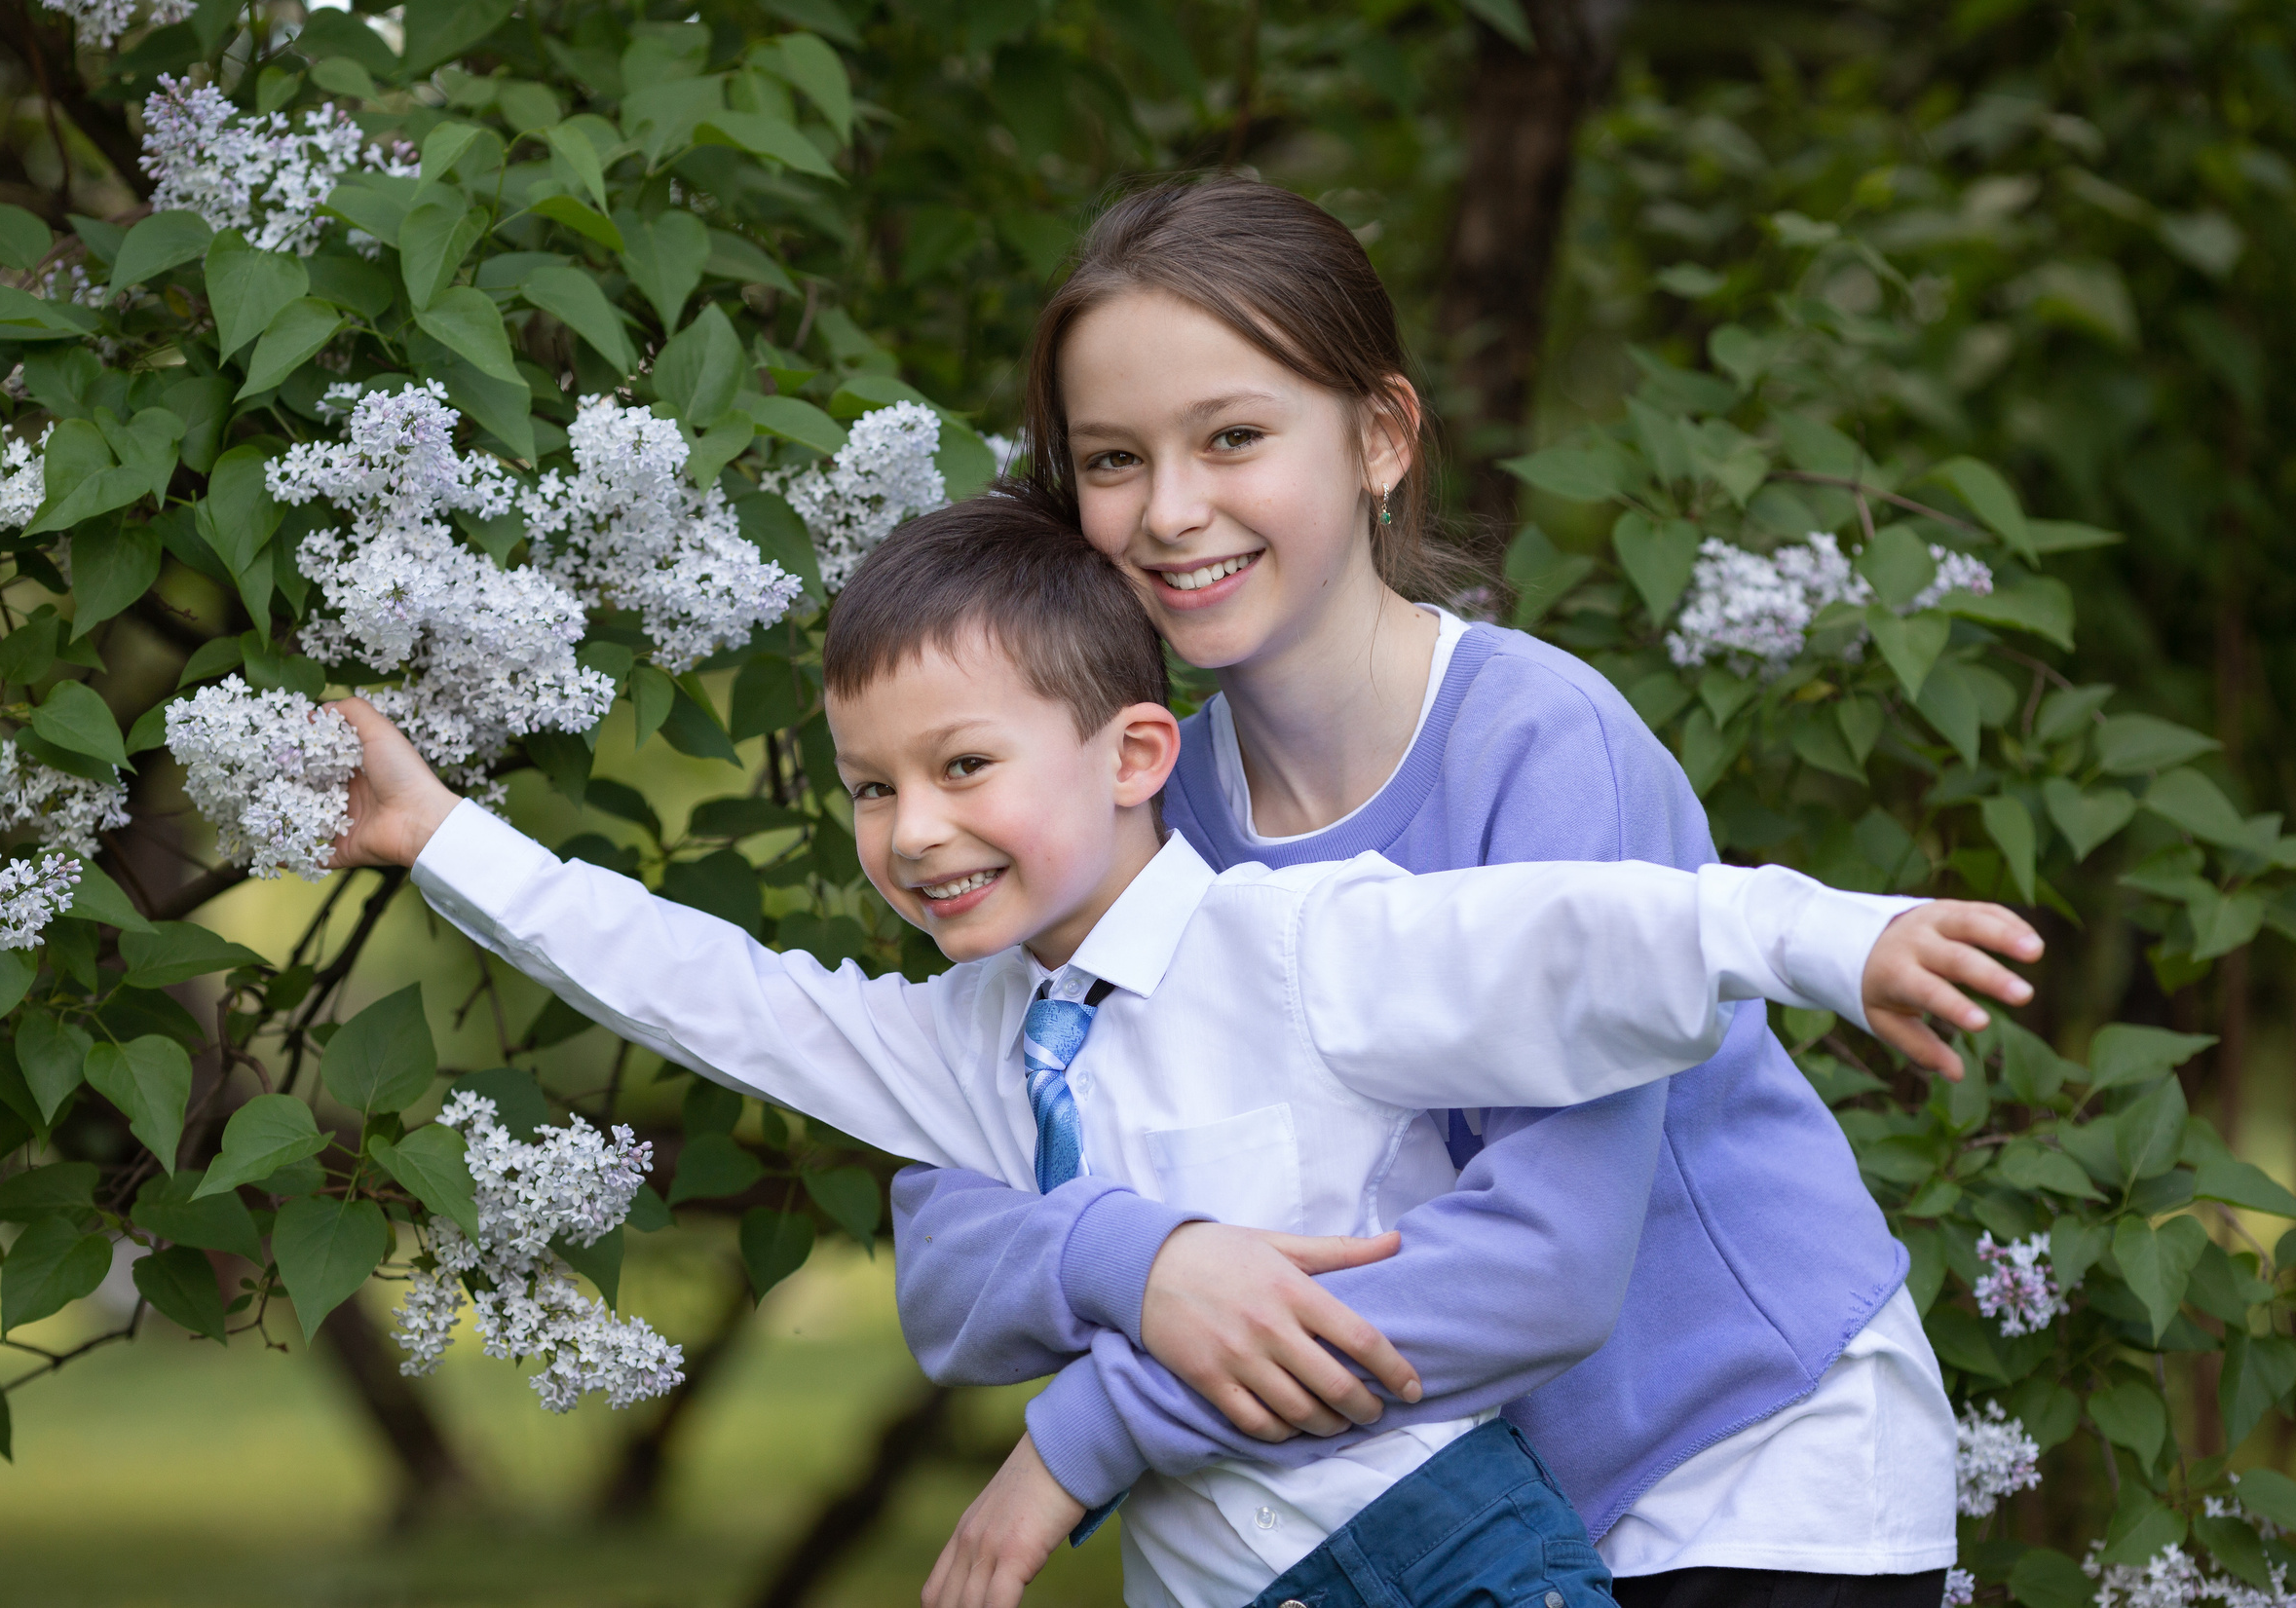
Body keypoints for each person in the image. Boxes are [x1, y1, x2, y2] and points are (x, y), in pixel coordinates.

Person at [327, 495, 2040, 1608]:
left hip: (1447, 1557)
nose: (914, 831)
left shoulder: (1307, 945)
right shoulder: (967, 1045)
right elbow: (703, 986)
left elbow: (1595, 935)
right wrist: (445, 841)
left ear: (1138, 750)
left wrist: (1840, 937)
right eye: (871, 786)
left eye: (965, 768)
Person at [895, 179, 1973, 1608]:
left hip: (1752, 1467)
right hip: (1473, 1522)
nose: (1170, 510)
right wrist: (1139, 1261)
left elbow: (1548, 1264)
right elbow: (952, 1216)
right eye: (1110, 459)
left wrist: (1096, 1429)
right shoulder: (1140, 807)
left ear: (1381, 438)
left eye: (1233, 436)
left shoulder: (1544, 749)